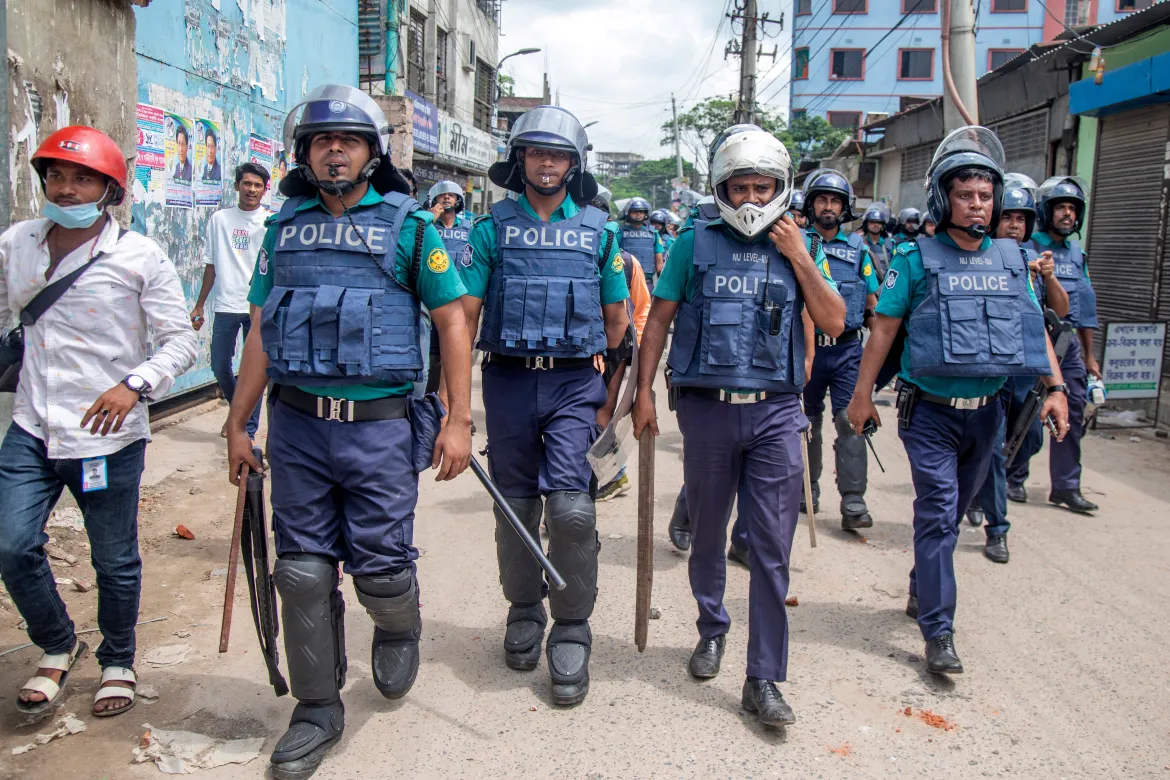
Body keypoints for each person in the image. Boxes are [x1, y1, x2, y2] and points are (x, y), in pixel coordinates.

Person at [224, 85, 473, 780]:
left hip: (381, 430)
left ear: (372, 153)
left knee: (382, 566)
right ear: (303, 153)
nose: (334, 150)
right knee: (300, 571)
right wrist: (239, 421)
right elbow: (262, 332)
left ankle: (399, 625)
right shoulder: (284, 227)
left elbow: (452, 322)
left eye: (349, 140)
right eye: (321, 140)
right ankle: (315, 709)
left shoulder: (412, 227)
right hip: (299, 426)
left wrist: (457, 420)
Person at [634, 126, 844, 727]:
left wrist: (802, 257)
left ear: (781, 188)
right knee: (705, 533)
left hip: (776, 411)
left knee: (771, 549)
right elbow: (659, 321)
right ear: (721, 188)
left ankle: (764, 678)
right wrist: (643, 395)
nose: (752, 198)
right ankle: (711, 627)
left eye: (763, 186)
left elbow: (832, 322)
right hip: (706, 408)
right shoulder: (692, 243)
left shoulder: (800, 244)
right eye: (740, 186)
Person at [846, 126, 1070, 675]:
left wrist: (1056, 388)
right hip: (929, 415)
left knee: (951, 515)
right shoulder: (915, 257)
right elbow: (882, 328)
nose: (977, 205)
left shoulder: (1014, 258)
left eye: (985, 196)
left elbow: (1033, 330)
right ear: (944, 199)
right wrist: (861, 396)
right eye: (966, 195)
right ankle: (939, 634)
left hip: (989, 414)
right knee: (940, 515)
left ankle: (924, 588)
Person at [0, 126, 197, 718]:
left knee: (112, 559)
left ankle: (118, 658)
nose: (67, 188)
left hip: (106, 442)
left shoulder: (138, 257)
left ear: (109, 189)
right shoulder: (16, 243)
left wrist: (133, 383)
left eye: (83, 178)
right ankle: (58, 644)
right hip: (33, 427)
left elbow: (180, 342)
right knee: (11, 546)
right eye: (56, 176)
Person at [461, 105, 629, 707]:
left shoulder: (599, 232)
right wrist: (452, 399)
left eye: (557, 154)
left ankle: (573, 623)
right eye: (536, 152)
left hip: (571, 385)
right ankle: (525, 608)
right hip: (506, 381)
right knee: (515, 504)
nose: (547, 162)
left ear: (573, 164)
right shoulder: (488, 230)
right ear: (520, 160)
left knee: (572, 509)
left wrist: (610, 399)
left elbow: (618, 322)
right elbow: (467, 313)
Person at [965, 180, 1069, 563]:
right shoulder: (985, 256)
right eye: (1007, 216)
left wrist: (1049, 275)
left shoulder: (1036, 259)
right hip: (996, 366)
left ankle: (977, 490)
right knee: (993, 450)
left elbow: (1059, 312)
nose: (1014, 225)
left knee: (1028, 443)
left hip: (1030, 369)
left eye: (1021, 219)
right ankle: (998, 528)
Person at [801, 168, 880, 529]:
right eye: (822, 199)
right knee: (807, 422)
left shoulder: (859, 249)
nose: (828, 206)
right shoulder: (797, 244)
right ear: (811, 204)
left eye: (835, 201)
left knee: (850, 421)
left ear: (845, 207)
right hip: (807, 350)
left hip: (847, 351)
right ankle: (806, 490)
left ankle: (853, 499)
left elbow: (873, 304)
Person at [1031, 175, 1100, 514]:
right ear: (1047, 212)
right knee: (1027, 414)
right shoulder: (1030, 245)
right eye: (1060, 207)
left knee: (1070, 413)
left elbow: (1085, 309)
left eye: (1072, 208)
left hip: (1069, 344)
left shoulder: (1077, 252)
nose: (1067, 214)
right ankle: (1013, 476)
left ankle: (1066, 486)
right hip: (1036, 338)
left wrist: (1090, 356)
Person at [190, 163, 271, 438]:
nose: (251, 189)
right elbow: (211, 265)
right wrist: (200, 303)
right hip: (225, 304)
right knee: (219, 364)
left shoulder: (269, 222)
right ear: (237, 186)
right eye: (247, 184)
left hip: (256, 306)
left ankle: (246, 430)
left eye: (257, 185)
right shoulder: (220, 220)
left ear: (264, 190)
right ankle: (239, 408)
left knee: (255, 371)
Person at [591, 187, 652, 502]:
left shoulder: (626, 262)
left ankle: (608, 475)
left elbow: (640, 310)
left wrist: (637, 355)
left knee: (603, 412)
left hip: (616, 348)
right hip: (580, 347)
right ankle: (609, 472)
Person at [425, 180, 475, 395]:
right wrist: (429, 220)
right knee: (432, 354)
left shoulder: (469, 229)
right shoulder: (426, 226)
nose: (446, 198)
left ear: (458, 201)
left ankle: (454, 405)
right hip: (431, 299)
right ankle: (430, 404)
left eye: (451, 196)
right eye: (442, 195)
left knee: (459, 353)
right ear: (434, 200)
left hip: (461, 299)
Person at [618, 196, 664, 289]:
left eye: (641, 211)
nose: (638, 214)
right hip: (625, 283)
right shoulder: (620, 232)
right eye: (635, 211)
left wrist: (662, 283)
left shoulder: (653, 233)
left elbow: (659, 261)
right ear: (628, 213)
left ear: (645, 214)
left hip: (646, 282)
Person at [860, 201, 894, 283]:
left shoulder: (891, 243)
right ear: (866, 224)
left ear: (883, 225)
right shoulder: (859, 243)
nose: (876, 225)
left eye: (879, 222)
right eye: (872, 222)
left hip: (885, 286)